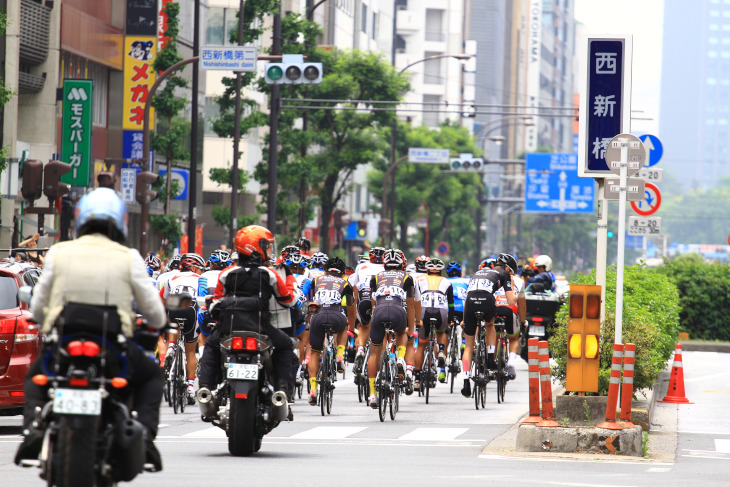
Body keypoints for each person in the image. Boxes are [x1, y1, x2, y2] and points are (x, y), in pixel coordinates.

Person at [14, 187, 167, 471]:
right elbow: (154, 312)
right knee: (151, 376)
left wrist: (45, 318)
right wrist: (157, 322)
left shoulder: (59, 252)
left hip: (63, 346)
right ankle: (145, 438)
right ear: (120, 222)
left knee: (36, 377)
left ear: (80, 219)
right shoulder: (129, 256)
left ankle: (34, 428)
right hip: (112, 349)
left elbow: (38, 306)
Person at [197, 225, 298, 416]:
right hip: (262, 329)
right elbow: (288, 301)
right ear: (255, 247)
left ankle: (205, 389)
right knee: (286, 346)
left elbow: (215, 304)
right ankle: (282, 392)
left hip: (228, 330)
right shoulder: (270, 274)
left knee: (210, 346)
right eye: (266, 246)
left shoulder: (227, 273)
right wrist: (291, 282)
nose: (269, 250)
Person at [460, 252, 516, 398]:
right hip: (487, 299)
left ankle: (466, 382)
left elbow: (466, 298)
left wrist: (465, 320)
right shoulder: (504, 274)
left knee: (468, 347)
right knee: (490, 325)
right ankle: (491, 358)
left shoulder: (478, 272)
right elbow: (510, 301)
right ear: (508, 269)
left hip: (470, 302)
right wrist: (516, 292)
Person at [366, 249, 416, 408]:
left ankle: (372, 394)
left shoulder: (376, 277)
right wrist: (411, 329)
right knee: (402, 333)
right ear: (403, 265)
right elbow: (410, 306)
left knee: (375, 352)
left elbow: (373, 304)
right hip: (398, 311)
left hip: (379, 312)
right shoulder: (407, 277)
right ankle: (401, 358)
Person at [305, 257, 356, 405]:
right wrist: (351, 327)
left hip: (318, 316)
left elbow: (311, 301)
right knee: (343, 329)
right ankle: (340, 355)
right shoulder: (346, 283)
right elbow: (351, 310)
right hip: (337, 315)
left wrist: (309, 322)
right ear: (342, 273)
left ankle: (313, 389)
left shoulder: (316, 281)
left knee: (315, 351)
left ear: (325, 271)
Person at [161, 253, 206, 404]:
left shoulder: (170, 277)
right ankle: (190, 388)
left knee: (173, 322)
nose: (201, 271)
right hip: (191, 308)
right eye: (200, 268)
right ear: (193, 267)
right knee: (190, 351)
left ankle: (171, 347)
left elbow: (163, 298)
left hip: (173, 306)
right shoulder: (200, 278)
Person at [413, 257, 454, 388]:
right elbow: (451, 304)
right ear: (441, 272)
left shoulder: (419, 280)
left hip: (423, 311)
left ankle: (417, 380)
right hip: (441, 311)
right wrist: (451, 320)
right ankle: (441, 350)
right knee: (442, 331)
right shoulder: (446, 282)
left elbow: (414, 300)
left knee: (421, 345)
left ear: (427, 270)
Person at [348, 246, 385, 372]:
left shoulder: (361, 267)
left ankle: (361, 348)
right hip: (379, 299)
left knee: (364, 326)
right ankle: (379, 360)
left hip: (363, 298)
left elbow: (354, 288)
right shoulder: (386, 269)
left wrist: (355, 306)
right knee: (382, 330)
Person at [492, 253, 523, 379]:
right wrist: (523, 320)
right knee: (514, 338)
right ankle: (511, 361)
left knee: (492, 335)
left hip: (493, 309)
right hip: (511, 310)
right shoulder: (519, 281)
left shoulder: (490, 277)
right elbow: (522, 305)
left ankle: (491, 363)